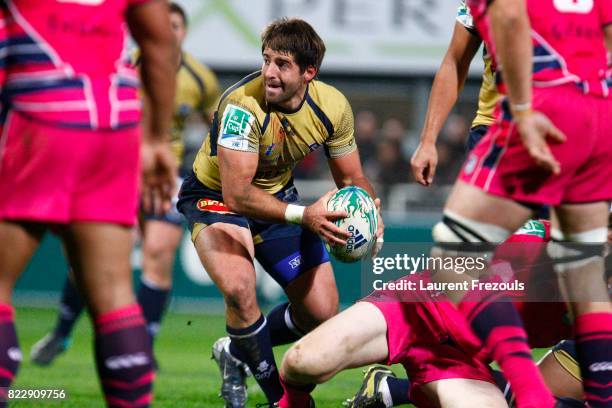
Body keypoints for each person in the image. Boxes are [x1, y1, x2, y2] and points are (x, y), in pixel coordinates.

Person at [177, 18, 382, 407]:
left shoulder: (333, 107)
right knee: (240, 290)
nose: (269, 72)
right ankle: (281, 399)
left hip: (276, 198)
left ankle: (236, 349)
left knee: (321, 313)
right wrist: (303, 216)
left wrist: (370, 216)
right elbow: (237, 195)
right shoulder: (242, 106)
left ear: (309, 72)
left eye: (282, 64)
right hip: (216, 198)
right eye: (267, 60)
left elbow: (353, 178)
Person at [424, 0, 612, 406]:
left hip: (547, 123)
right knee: (577, 270)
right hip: (562, 123)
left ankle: (524, 388)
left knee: (457, 260)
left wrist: (527, 111)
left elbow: (509, 15)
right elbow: (455, 62)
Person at [0, 0, 177, 406]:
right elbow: (161, 41)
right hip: (114, 122)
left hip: (38, 108)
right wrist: (154, 139)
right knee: (115, 295)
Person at [29, 1, 221, 367]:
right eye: (165, 24)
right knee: (98, 258)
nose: (170, 31)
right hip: (119, 168)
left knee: (159, 254)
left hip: (166, 174)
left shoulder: (200, 78)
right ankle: (63, 330)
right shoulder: (126, 62)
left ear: (183, 31)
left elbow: (217, 127)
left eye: (176, 26)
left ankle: (144, 348)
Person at [279, 219, 584, 407]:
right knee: (302, 362)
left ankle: (407, 391)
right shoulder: (535, 239)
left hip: (462, 362)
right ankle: (294, 403)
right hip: (415, 306)